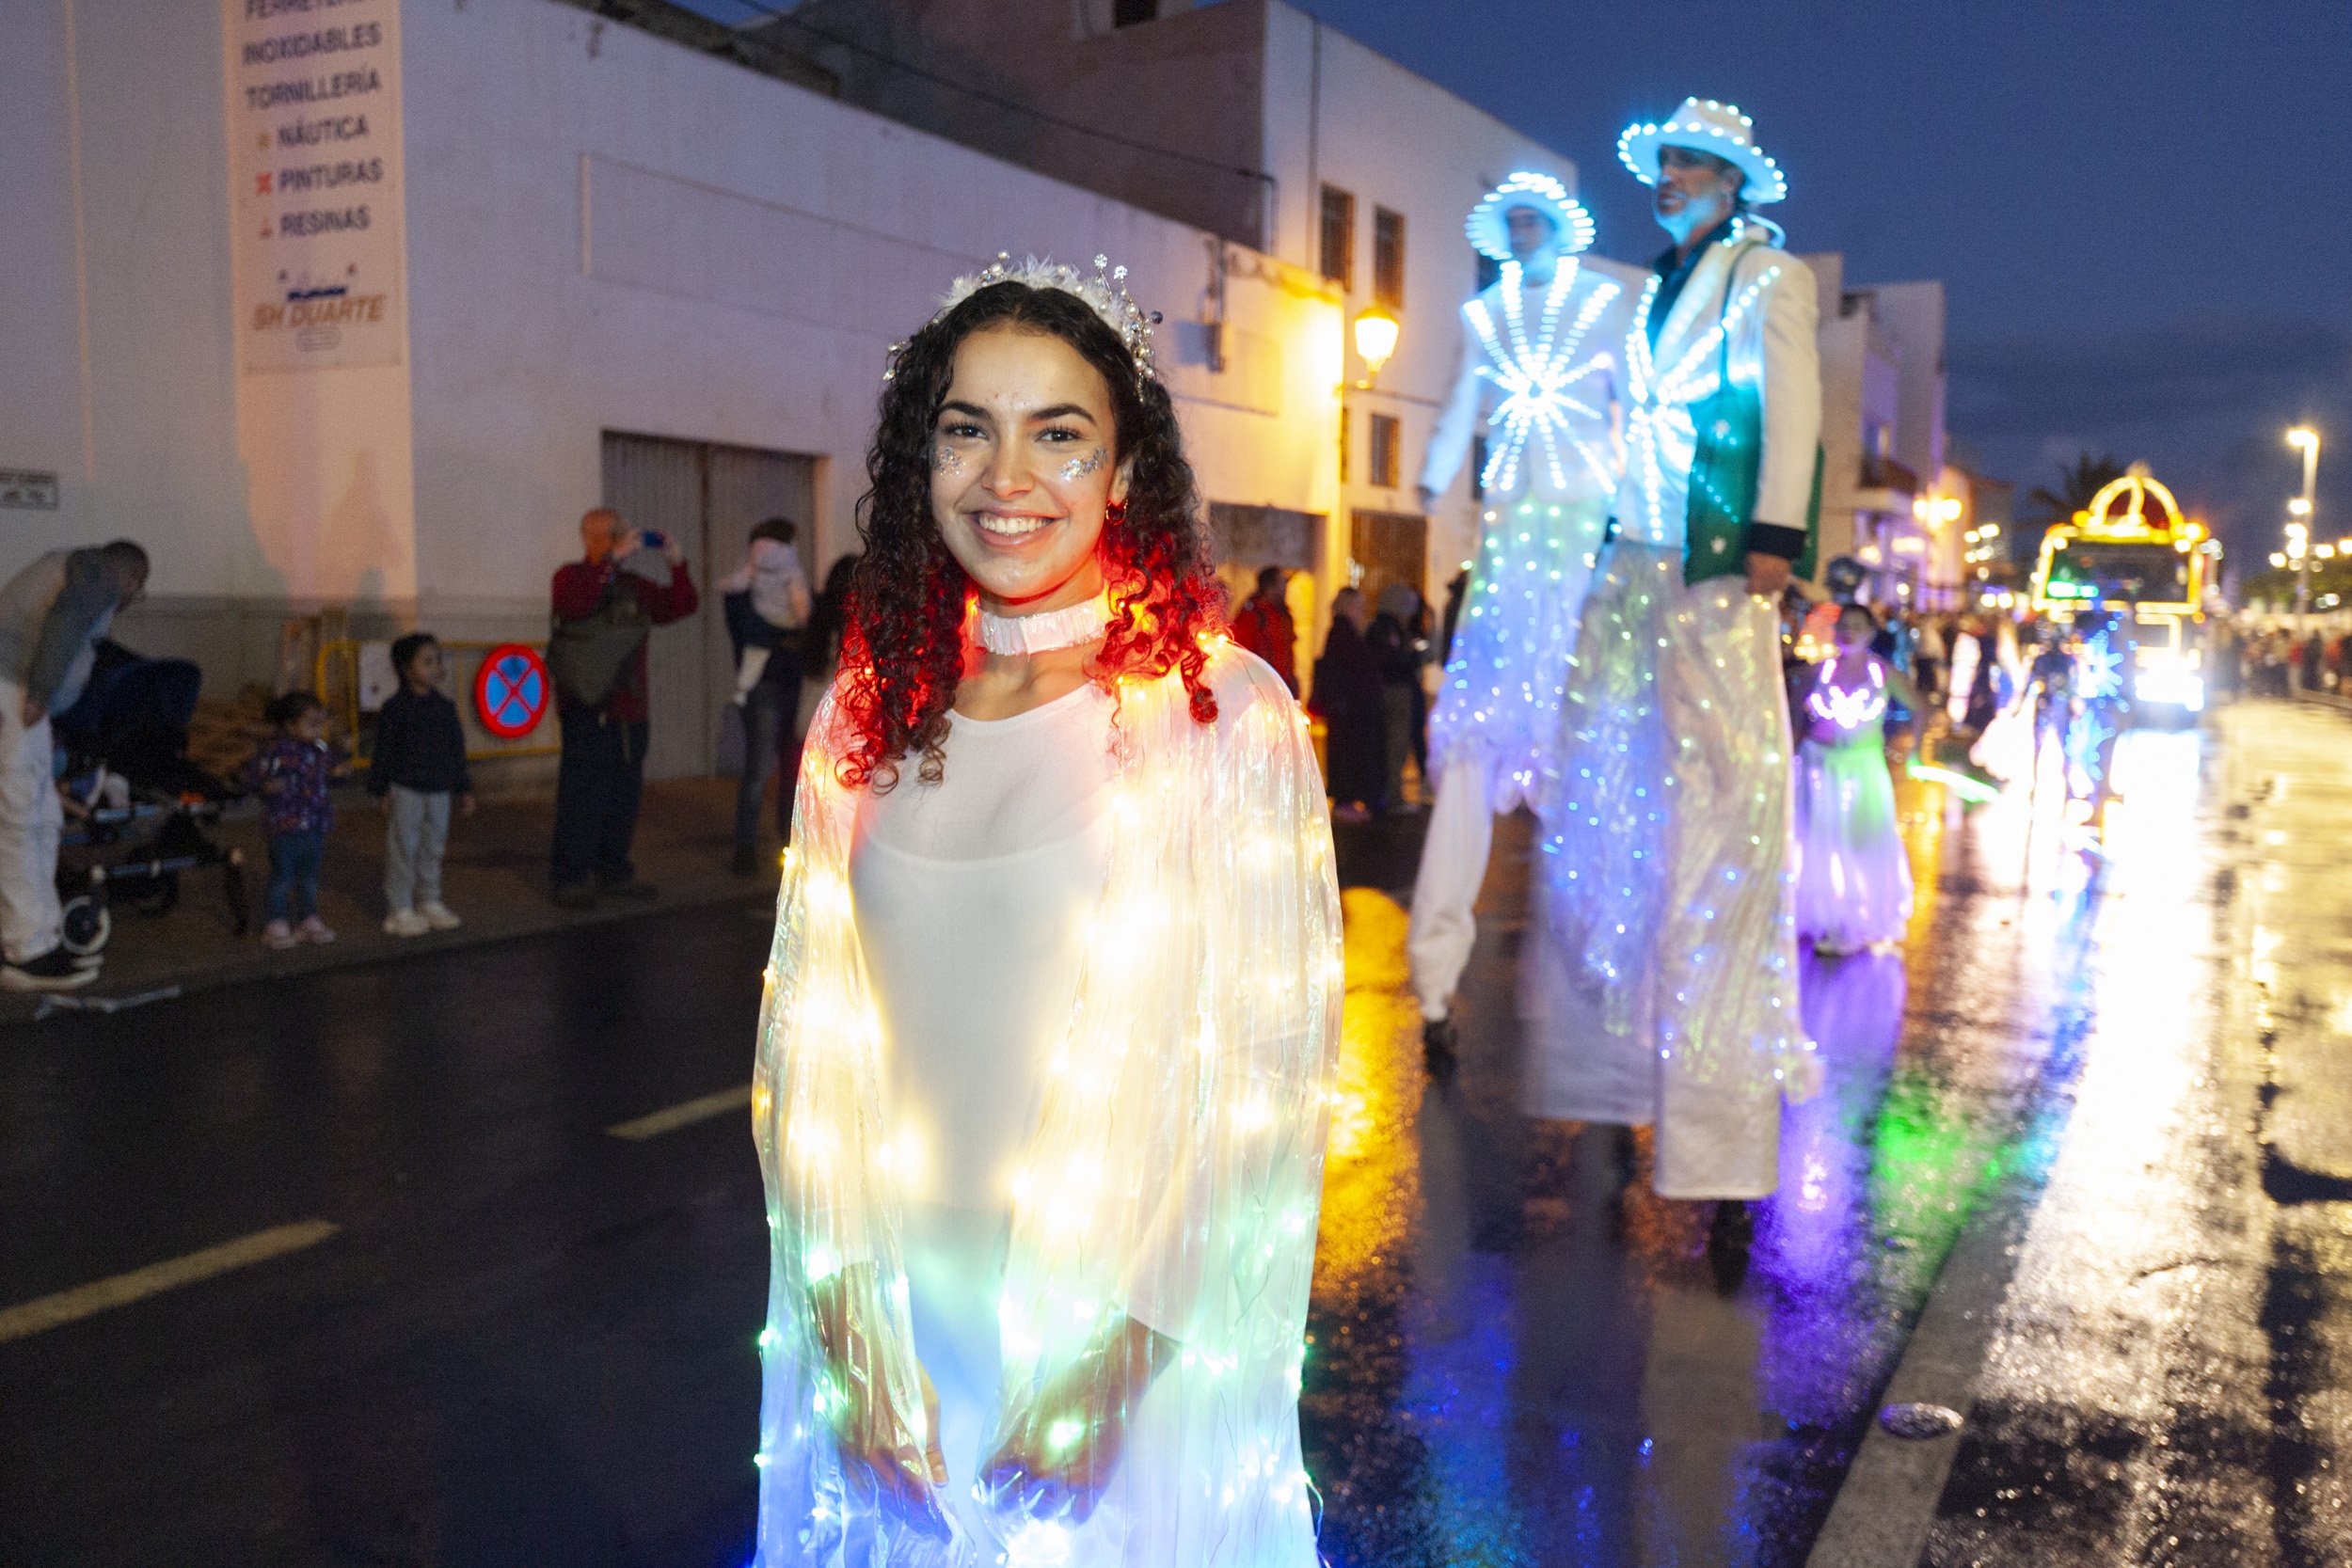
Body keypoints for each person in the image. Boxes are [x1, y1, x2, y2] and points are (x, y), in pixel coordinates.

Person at [748, 256, 1341, 1568]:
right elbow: (811, 1046)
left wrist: (1113, 1368)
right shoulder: (862, 717)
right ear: (924, 459)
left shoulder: (1217, 715)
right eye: (969, 428)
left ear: (1124, 471)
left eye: (1058, 434)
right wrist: (848, 1329)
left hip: (1119, 1368)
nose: (1006, 477)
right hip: (899, 1356)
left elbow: (1258, 1084)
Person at [1531, 99, 1823, 1269]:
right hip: (1640, 567)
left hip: (1711, 568)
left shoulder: (1766, 275)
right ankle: (1612, 1081)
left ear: (1734, 178)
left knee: (1723, 831)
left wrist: (1772, 533)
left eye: (1690, 163)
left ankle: (1721, 1152)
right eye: (1662, 164)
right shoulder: (1654, 285)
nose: (1669, 177)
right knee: (1613, 820)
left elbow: (1788, 406)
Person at [1407, 173, 1635, 1061]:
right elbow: (1466, 396)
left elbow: (1634, 409)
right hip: (1512, 537)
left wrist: (1646, 510)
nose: (1527, 229)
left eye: (1538, 216)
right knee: (1470, 763)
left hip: (1579, 526)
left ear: (1562, 228)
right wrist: (1433, 470)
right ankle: (1435, 985)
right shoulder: (1486, 316)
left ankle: (1604, 979)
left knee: (1590, 765)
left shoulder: (1604, 306)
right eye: (1515, 220)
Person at [0, 539, 148, 991]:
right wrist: (42, 695)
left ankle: (39, 936)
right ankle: (26, 951)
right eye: (137, 593)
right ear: (133, 580)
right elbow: (65, 624)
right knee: (24, 819)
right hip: (16, 691)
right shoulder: (98, 573)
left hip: (19, 691)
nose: (129, 602)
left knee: (41, 817)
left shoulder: (73, 563)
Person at [547, 507, 697, 908]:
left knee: (623, 795)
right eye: (610, 533)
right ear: (588, 538)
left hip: (629, 709)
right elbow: (576, 606)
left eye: (621, 532)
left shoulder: (632, 585)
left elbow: (680, 605)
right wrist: (610, 563)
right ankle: (572, 876)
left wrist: (676, 561)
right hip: (585, 705)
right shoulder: (570, 577)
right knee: (581, 795)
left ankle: (613, 869)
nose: (619, 538)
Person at [1793, 605, 1923, 955]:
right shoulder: (1818, 672)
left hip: (1863, 767)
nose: (1849, 633)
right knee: (1820, 839)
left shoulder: (1883, 674)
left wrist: (1917, 751)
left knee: (1860, 839)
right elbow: (1792, 709)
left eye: (1857, 626)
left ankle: (1853, 919)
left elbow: (1919, 706)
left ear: (1870, 632)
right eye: (1843, 626)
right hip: (1819, 764)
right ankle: (1821, 916)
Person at [723, 517, 813, 876]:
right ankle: (747, 849)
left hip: (784, 682)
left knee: (788, 767)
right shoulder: (743, 592)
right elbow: (750, 631)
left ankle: (786, 842)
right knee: (761, 768)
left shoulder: (750, 588)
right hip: (768, 684)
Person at [370, 633, 474, 936]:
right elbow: (384, 750)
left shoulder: (444, 708)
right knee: (403, 847)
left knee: (433, 846)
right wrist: (382, 789)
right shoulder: (395, 708)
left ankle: (428, 900)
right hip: (406, 788)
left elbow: (456, 750)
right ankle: (399, 907)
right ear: (406, 668)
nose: (436, 667)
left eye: (438, 660)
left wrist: (463, 788)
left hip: (438, 789)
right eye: (427, 661)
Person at [246, 690, 339, 950]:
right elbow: (257, 777)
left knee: (309, 876)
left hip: (315, 823)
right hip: (285, 824)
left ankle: (308, 918)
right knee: (282, 876)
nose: (318, 729)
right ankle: (276, 922)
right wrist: (267, 785)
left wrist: (341, 766)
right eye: (311, 724)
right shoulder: (275, 751)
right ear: (290, 724)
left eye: (320, 723)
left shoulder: (319, 748)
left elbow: (333, 771)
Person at [1312, 586, 1385, 820]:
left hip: (1348, 705)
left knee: (1348, 751)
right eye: (1359, 606)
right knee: (1346, 752)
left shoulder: (1343, 631)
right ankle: (1344, 802)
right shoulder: (1343, 632)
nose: (1362, 612)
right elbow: (1356, 667)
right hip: (1348, 706)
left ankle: (1347, 800)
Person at [1367, 582, 1425, 815]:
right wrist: (1412, 655)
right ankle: (1393, 798)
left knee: (1394, 746)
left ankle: (1390, 796)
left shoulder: (1382, 627)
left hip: (1390, 691)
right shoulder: (1389, 629)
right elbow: (1395, 661)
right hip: (1396, 692)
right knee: (1396, 746)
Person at [1229, 565, 1298, 695]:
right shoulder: (1253, 614)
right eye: (1282, 583)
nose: (1285, 588)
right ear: (1270, 587)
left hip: (1280, 684)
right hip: (1262, 687)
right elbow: (1242, 650)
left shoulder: (1281, 614)